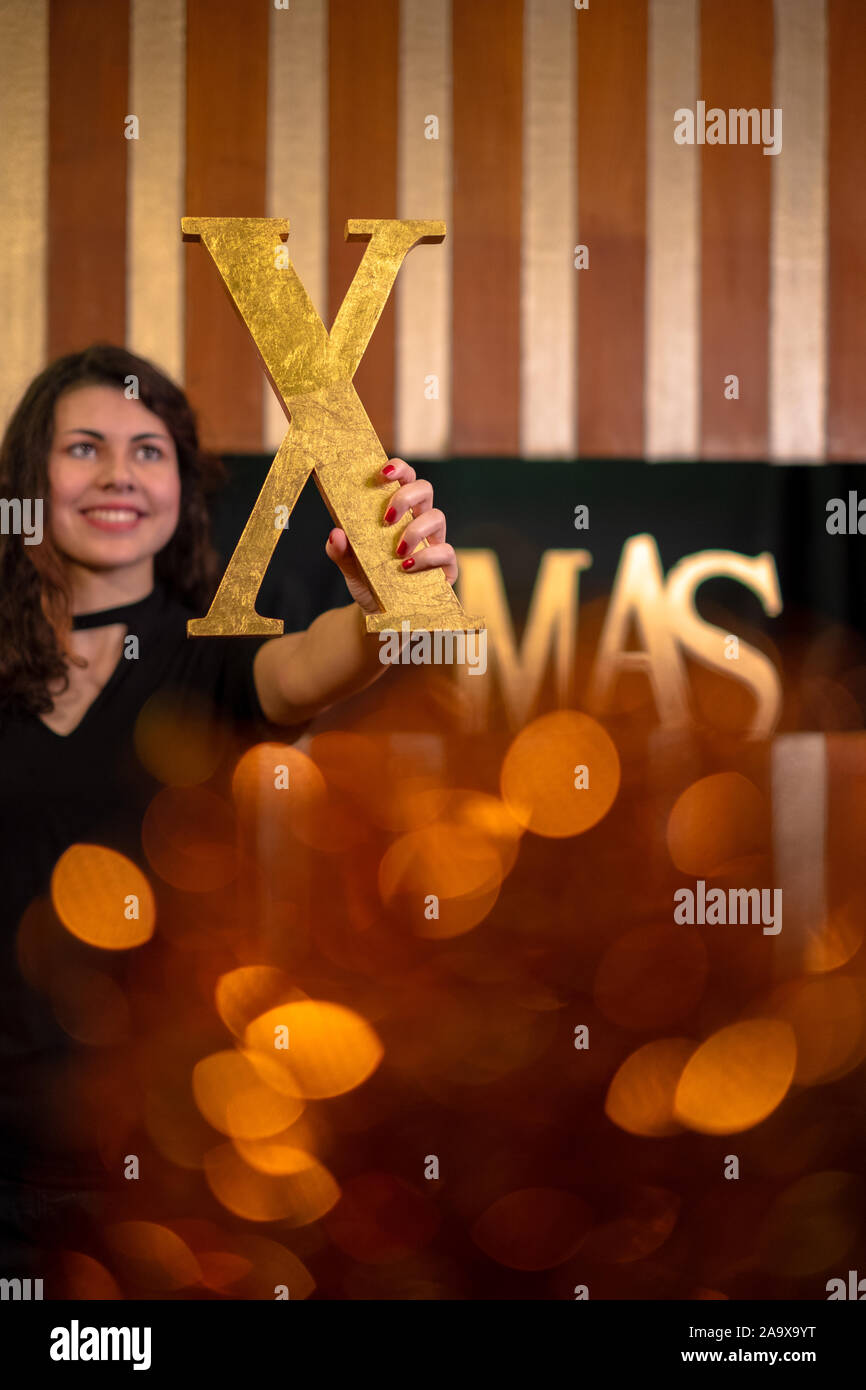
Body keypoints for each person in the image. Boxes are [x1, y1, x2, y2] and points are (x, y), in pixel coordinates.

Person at [0, 343, 458, 1282]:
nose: (118, 473)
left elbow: (309, 668)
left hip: (160, 1162)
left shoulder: (212, 652)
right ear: (27, 480)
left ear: (182, 489)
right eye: (83, 448)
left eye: (149, 451)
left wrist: (383, 604)